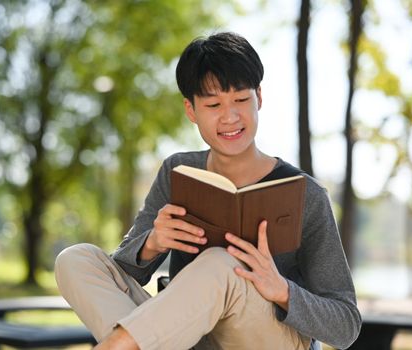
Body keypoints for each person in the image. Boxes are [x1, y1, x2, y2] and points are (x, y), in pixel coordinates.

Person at [55, 32, 361, 350]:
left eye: (241, 100)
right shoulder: (177, 172)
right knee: (77, 259)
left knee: (221, 262)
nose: (230, 117)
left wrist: (282, 290)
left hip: (269, 340)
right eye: (214, 104)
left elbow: (346, 326)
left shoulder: (305, 194)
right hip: (187, 340)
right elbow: (120, 277)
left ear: (259, 97)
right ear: (191, 110)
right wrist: (152, 243)